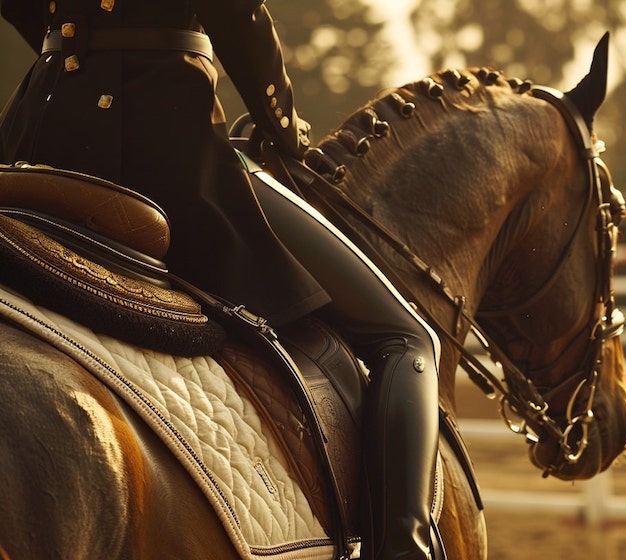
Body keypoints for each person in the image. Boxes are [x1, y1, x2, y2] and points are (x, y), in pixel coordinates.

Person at [0, 2, 439, 559]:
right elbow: (240, 17)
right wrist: (283, 129)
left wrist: (74, 47)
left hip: (35, 143)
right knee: (408, 337)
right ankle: (405, 544)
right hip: (168, 150)